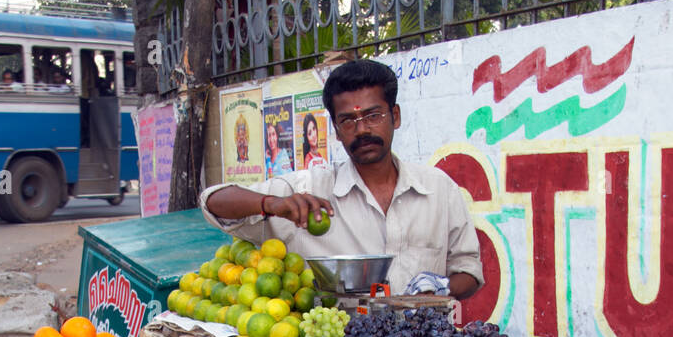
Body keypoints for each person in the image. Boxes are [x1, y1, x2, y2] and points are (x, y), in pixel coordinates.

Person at [201, 58, 482, 298]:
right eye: (348, 120)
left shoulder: (438, 189)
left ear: (394, 116)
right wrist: (272, 204)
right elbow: (213, 202)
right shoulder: (306, 190)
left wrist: (442, 286)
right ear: (335, 129)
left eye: (373, 115)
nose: (362, 130)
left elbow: (468, 270)